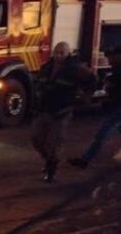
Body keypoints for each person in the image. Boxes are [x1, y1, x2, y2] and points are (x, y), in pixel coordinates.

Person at [31, 41, 96, 182]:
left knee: (55, 142)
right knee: (36, 138)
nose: (58, 56)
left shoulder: (75, 69)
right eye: (56, 52)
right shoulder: (45, 68)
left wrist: (85, 96)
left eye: (62, 53)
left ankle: (51, 170)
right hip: (44, 110)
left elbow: (91, 80)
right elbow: (38, 86)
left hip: (62, 112)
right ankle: (48, 158)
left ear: (68, 54)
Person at [69, 49, 121, 169]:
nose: (109, 60)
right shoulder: (116, 70)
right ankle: (86, 159)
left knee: (103, 134)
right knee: (104, 133)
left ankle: (86, 160)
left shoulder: (118, 71)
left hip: (118, 108)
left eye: (111, 57)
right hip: (116, 106)